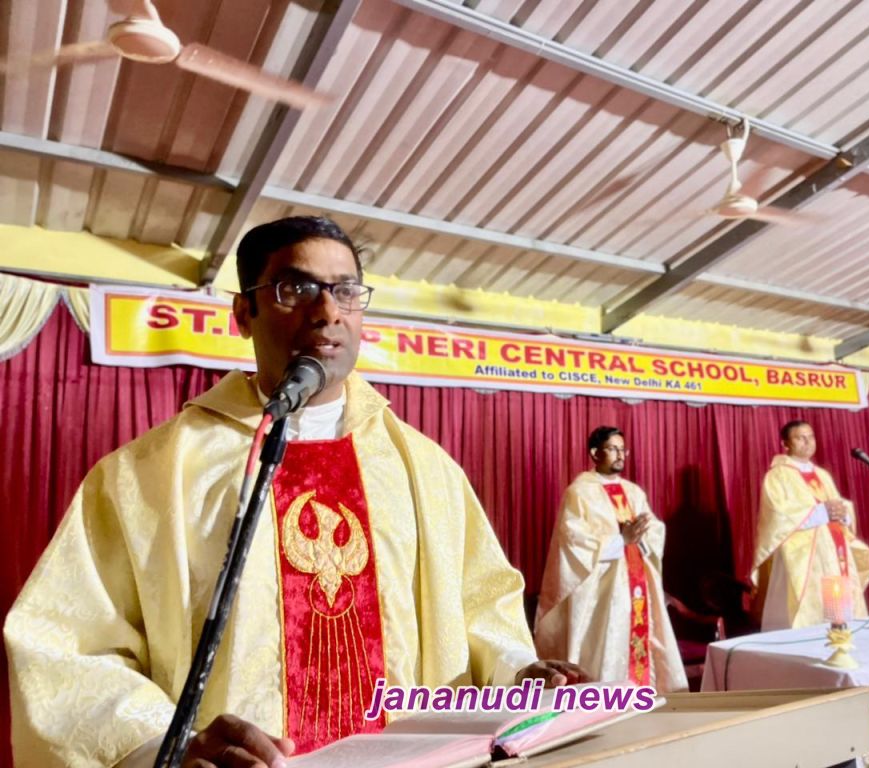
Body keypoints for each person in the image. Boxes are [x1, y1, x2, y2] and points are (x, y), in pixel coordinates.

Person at [5, 216, 584, 768]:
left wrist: (519, 670)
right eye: (296, 288)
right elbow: (69, 647)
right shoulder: (148, 475)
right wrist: (165, 746)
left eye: (346, 290)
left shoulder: (425, 470)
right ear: (244, 312)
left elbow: (481, 607)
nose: (327, 311)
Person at [533, 427, 687, 693]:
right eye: (613, 449)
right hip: (602, 596)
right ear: (595, 453)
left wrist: (644, 532)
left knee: (640, 645)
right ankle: (606, 701)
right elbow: (573, 542)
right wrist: (620, 540)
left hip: (637, 588)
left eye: (623, 449)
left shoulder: (634, 492)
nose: (620, 455)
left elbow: (654, 530)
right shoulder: (580, 493)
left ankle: (643, 695)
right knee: (607, 653)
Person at [752, 420, 869, 630]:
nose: (808, 442)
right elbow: (777, 516)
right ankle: (813, 641)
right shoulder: (777, 475)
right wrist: (822, 512)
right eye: (800, 438)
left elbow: (836, 505)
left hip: (834, 547)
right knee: (811, 612)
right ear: (785, 444)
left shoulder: (822, 474)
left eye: (811, 437)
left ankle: (843, 637)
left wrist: (843, 513)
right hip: (802, 555)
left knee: (840, 607)